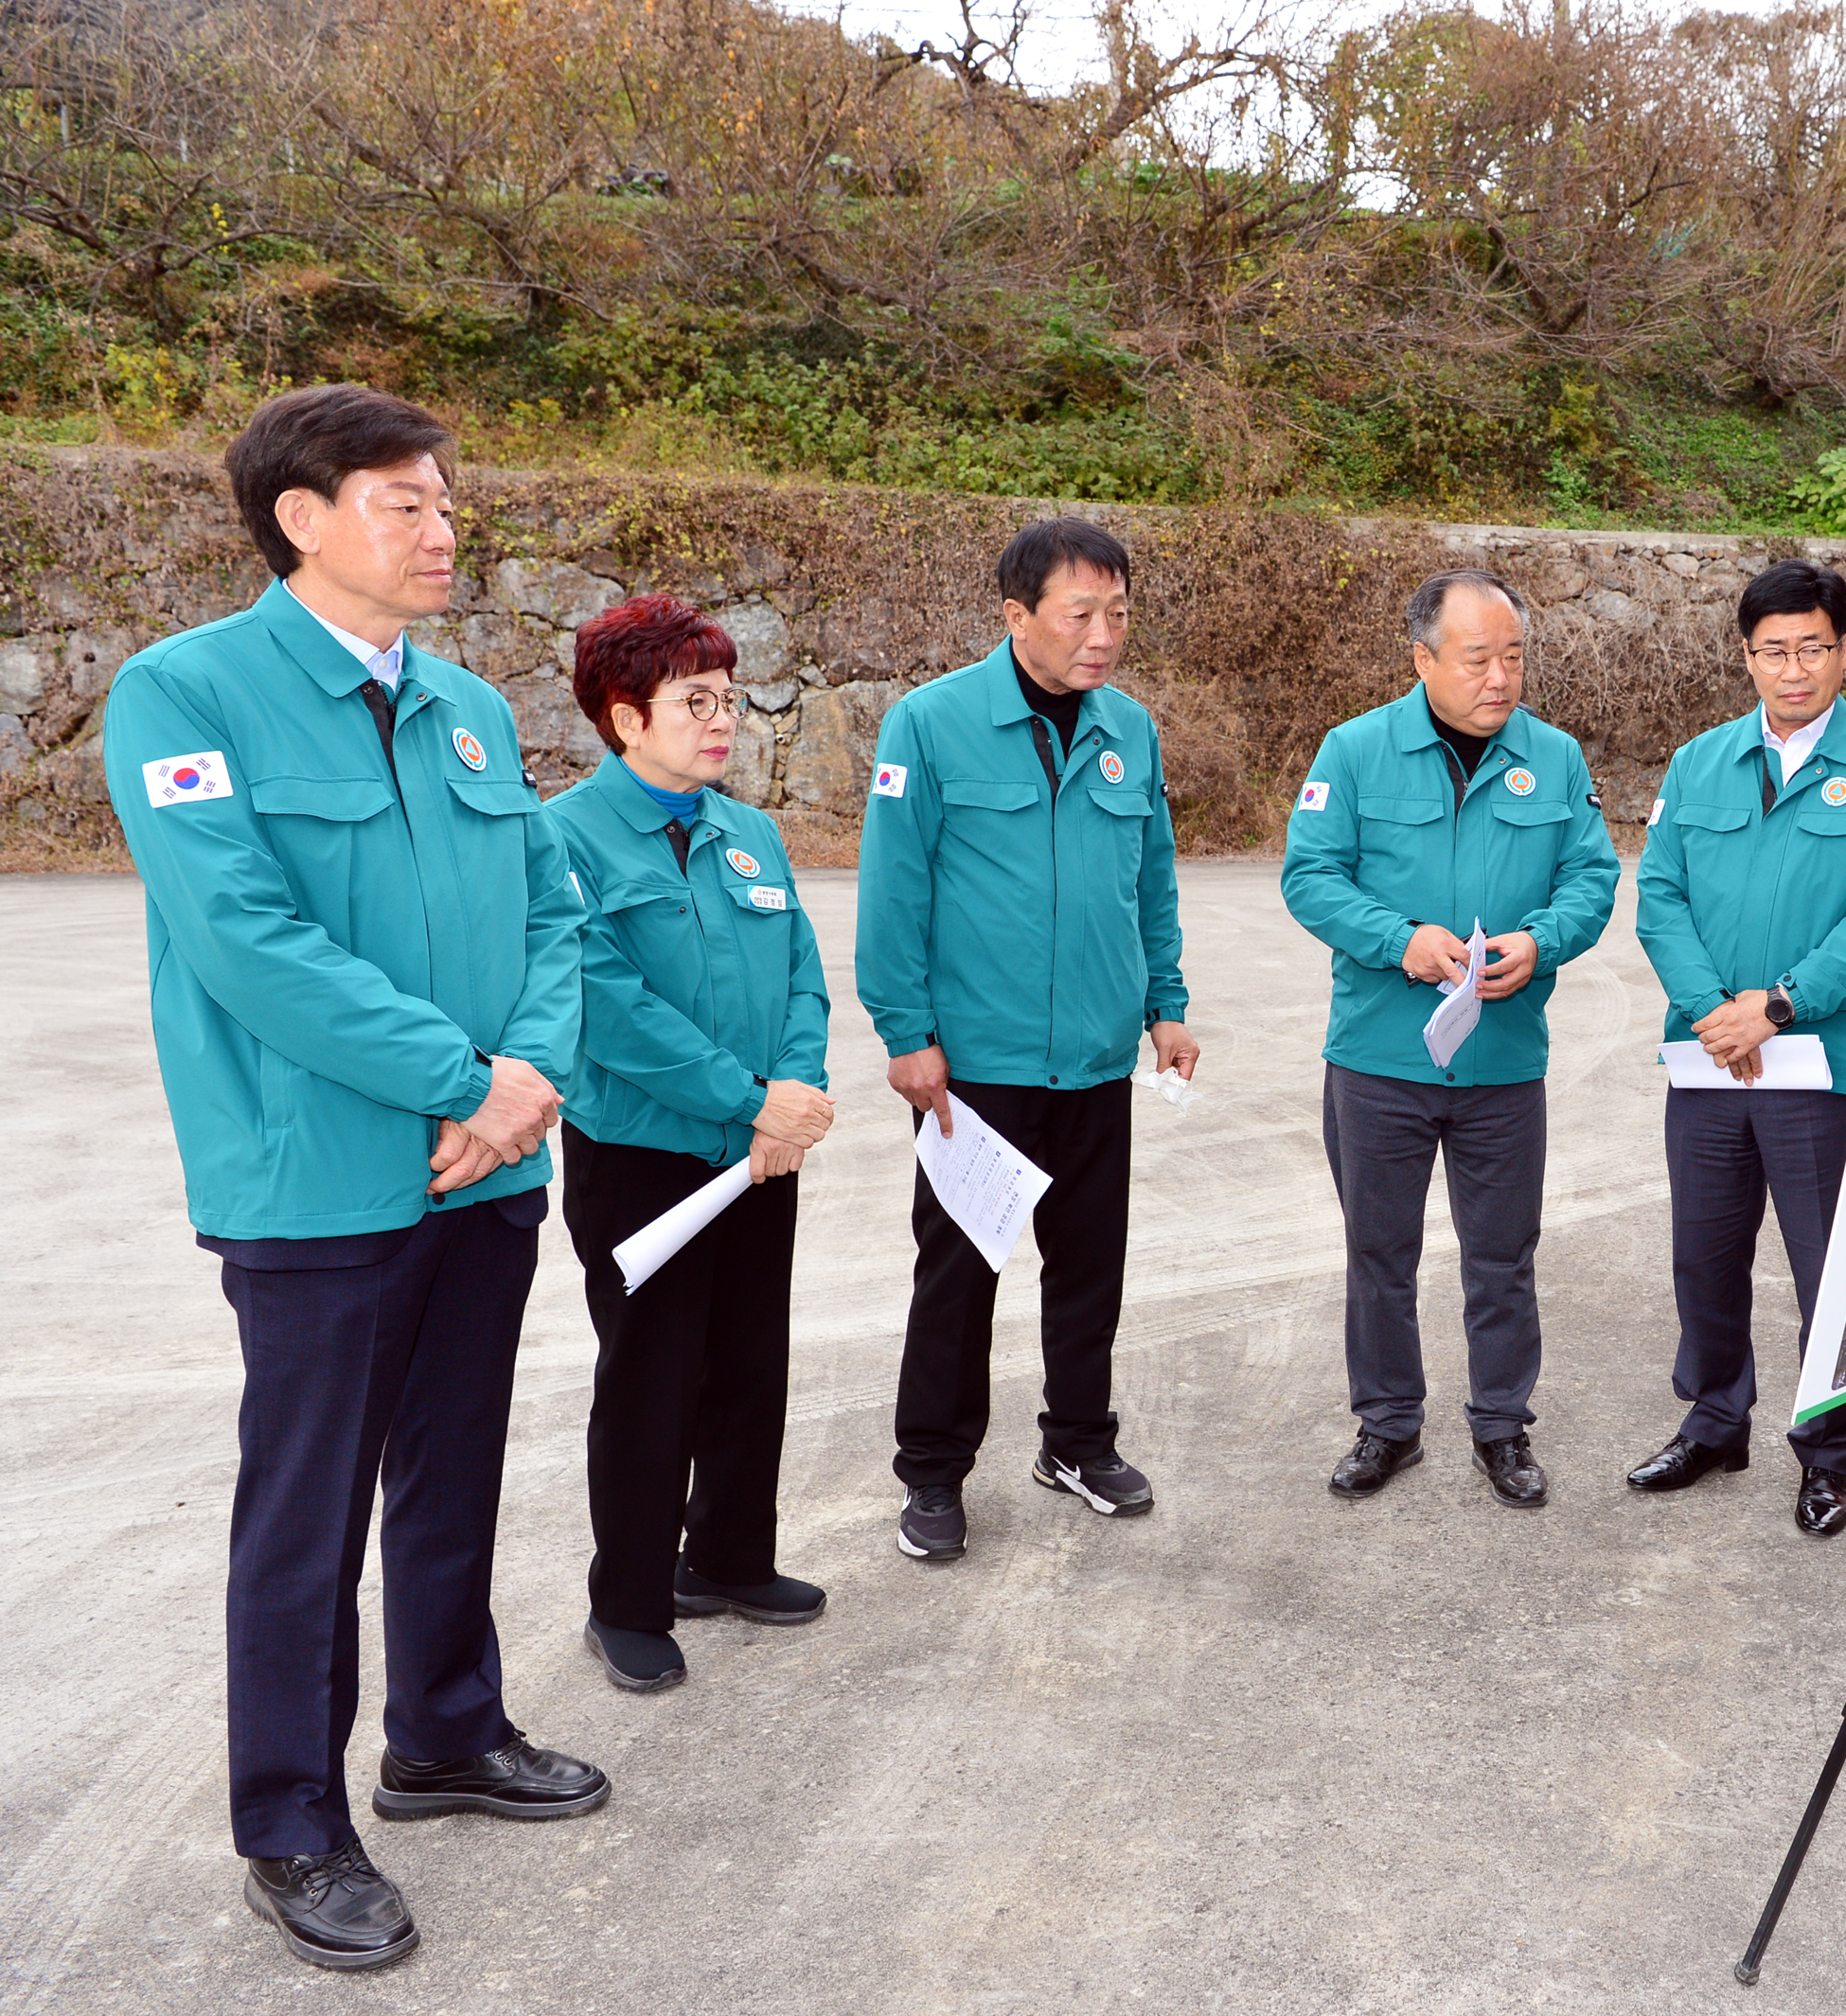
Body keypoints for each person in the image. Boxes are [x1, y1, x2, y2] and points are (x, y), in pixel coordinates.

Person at [99, 384, 606, 1974]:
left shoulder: (464, 707)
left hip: (486, 1173)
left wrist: (526, 1081)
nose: (444, 527)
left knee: (453, 1469)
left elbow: (557, 914)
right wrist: (468, 1082)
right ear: (301, 519)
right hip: (319, 1179)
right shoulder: (183, 697)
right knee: (305, 1510)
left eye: (447, 500)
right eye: (406, 502)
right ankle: (292, 1822)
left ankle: (446, 1731)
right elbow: (247, 941)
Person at [859, 518, 1199, 1556]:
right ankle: (931, 1472)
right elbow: (893, 890)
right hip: (977, 1069)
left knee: (1090, 1267)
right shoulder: (929, 725)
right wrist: (905, 1032)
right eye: (1079, 613)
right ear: (1017, 617)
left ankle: (1078, 1443)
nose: (1102, 635)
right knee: (959, 1277)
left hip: (1095, 1056)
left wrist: (1166, 1004)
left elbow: (1150, 881)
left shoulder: (1128, 729)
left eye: (1119, 613)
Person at [544, 593, 837, 1692]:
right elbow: (603, 1002)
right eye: (695, 702)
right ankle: (627, 1598)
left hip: (761, 1148)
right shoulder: (564, 837)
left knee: (750, 1359)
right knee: (651, 1374)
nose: (724, 722)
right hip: (644, 1157)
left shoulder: (745, 829)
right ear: (625, 718)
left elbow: (802, 970)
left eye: (729, 699)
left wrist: (797, 1087)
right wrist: (746, 1100)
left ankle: (728, 1559)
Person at [1281, 569, 1622, 1509]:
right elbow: (1309, 875)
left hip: (1502, 1061)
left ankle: (1502, 1428)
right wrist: (1399, 940)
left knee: (1501, 1257)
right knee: (1377, 1254)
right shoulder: (1352, 752)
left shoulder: (1552, 759)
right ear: (1423, 658)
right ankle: (1386, 1423)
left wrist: (1539, 941)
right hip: (1378, 1058)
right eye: (1477, 658)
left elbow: (1590, 882)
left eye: (1513, 656)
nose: (1500, 678)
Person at [1628, 559, 1846, 1538]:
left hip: (1819, 1067)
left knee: (1823, 1268)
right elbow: (1661, 894)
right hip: (1707, 1060)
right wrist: (1712, 1009)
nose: (1791, 670)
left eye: (1811, 648)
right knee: (1704, 1258)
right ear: (1744, 655)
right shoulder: (1697, 764)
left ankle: (1830, 1454)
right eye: (1772, 651)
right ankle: (1714, 1423)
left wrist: (1783, 1005)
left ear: (1844, 651)